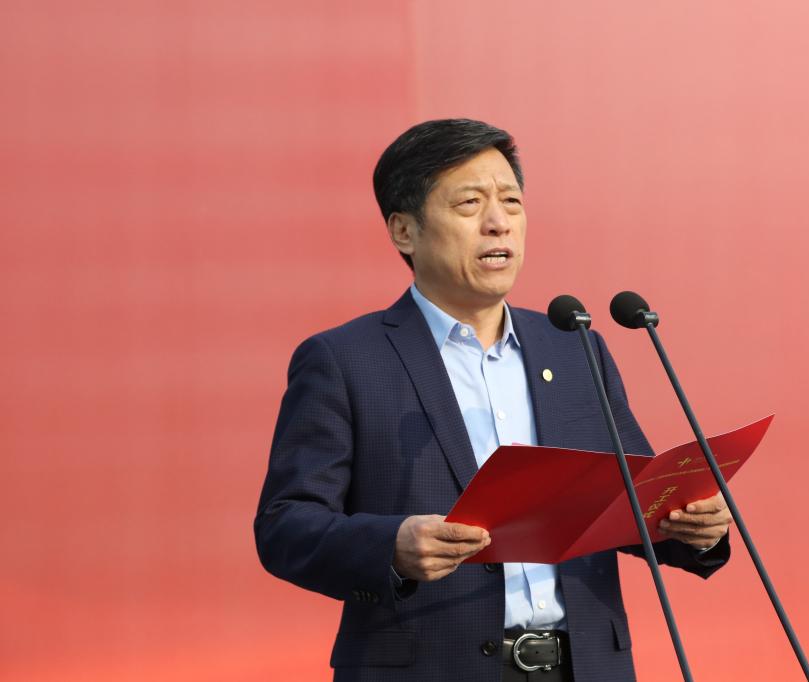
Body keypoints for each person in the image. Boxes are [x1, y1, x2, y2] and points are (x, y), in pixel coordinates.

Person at [254, 119, 733, 682]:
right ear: (404, 230)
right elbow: (285, 525)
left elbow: (633, 502)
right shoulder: (346, 360)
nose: (498, 222)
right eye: (469, 203)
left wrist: (693, 526)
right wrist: (391, 546)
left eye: (511, 201)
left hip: (584, 667)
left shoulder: (574, 346)